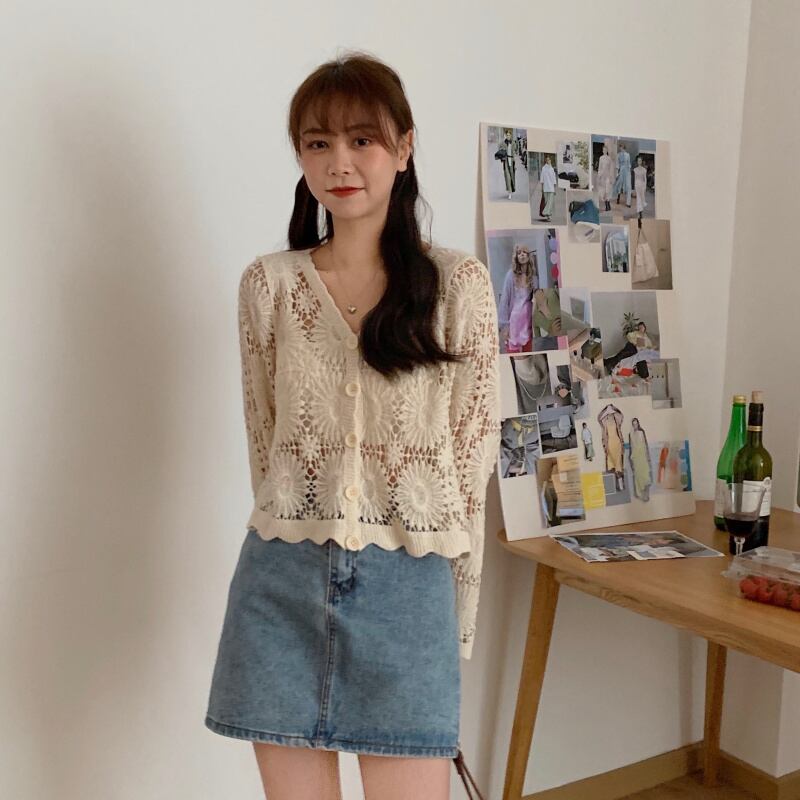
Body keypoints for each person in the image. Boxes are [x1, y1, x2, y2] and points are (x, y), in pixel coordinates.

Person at [204, 51, 499, 800]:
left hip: (410, 585)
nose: (340, 161)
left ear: (404, 148)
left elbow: (472, 457)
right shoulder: (269, 285)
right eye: (318, 142)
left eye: (363, 139)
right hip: (281, 584)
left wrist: (457, 614)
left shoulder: (457, 285)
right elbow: (265, 441)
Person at [498, 245, 537, 353]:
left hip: (528, 320)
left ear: (528, 256)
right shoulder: (510, 275)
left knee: (528, 352)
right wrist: (505, 326)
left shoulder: (532, 277)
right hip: (514, 320)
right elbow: (504, 300)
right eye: (519, 253)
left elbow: (536, 299)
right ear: (516, 257)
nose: (522, 254)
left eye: (524, 252)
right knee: (512, 351)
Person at [629, 417, 653, 501]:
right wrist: (631, 458)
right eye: (633, 424)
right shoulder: (631, 434)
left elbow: (645, 444)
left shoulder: (641, 432)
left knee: (645, 476)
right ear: (632, 425)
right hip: (636, 457)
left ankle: (646, 495)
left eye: (636, 424)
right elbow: (631, 446)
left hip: (642, 456)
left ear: (638, 424)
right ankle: (642, 495)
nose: (635, 426)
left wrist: (648, 456)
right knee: (638, 476)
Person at [612, 143, 632, 207]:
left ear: (624, 148)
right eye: (620, 147)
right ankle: (618, 197)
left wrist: (629, 172)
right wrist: (617, 173)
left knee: (628, 186)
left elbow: (629, 164)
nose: (621, 149)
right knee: (619, 185)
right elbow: (617, 165)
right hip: (621, 171)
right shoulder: (618, 155)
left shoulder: (628, 155)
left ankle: (628, 203)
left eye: (622, 147)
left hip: (627, 171)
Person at [597, 144, 614, 212]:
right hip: (602, 176)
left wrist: (611, 177)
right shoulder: (601, 158)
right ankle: (607, 205)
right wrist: (599, 176)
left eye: (606, 150)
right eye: (603, 150)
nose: (604, 151)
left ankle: (607, 205)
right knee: (603, 191)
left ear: (607, 151)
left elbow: (611, 168)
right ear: (602, 150)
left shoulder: (609, 158)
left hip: (608, 176)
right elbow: (599, 167)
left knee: (608, 190)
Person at [540, 156, 557, 220]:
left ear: (550, 160)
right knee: (547, 202)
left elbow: (554, 179)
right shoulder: (544, 168)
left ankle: (547, 215)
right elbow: (542, 179)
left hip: (551, 188)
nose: (548, 161)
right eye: (547, 160)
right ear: (546, 161)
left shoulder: (552, 169)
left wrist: (554, 189)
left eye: (549, 160)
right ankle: (547, 214)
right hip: (546, 188)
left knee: (550, 203)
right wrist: (542, 188)